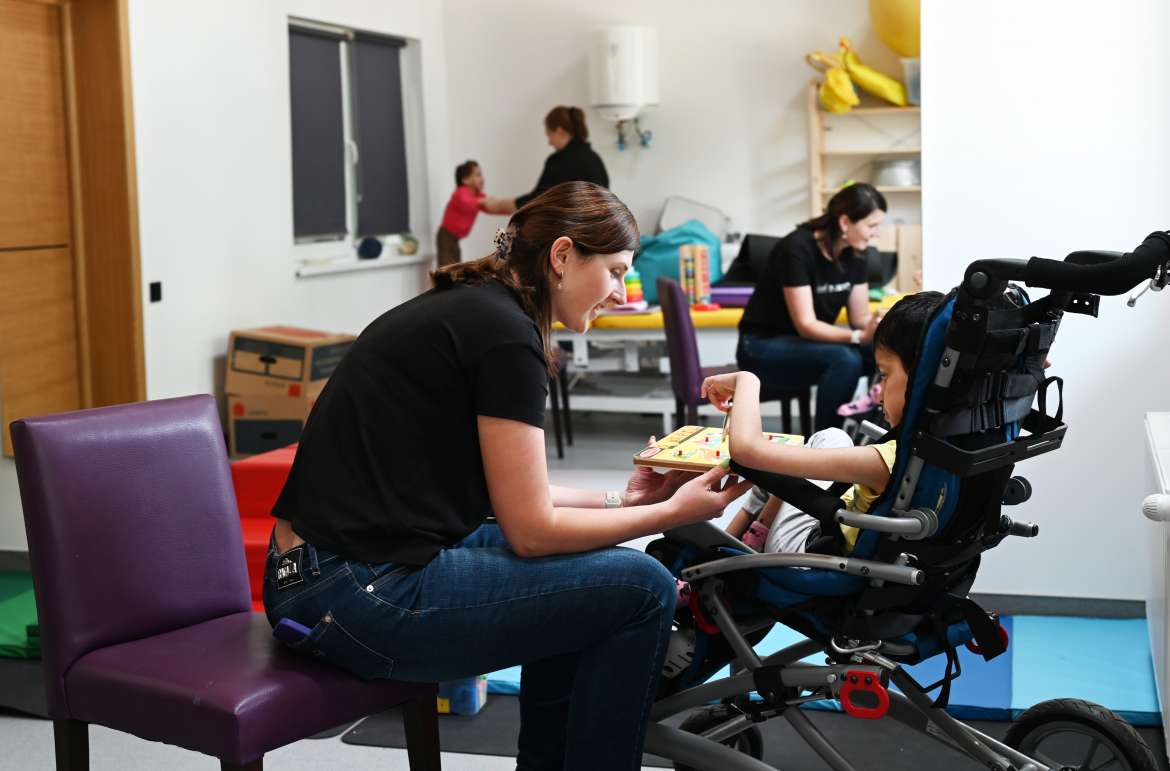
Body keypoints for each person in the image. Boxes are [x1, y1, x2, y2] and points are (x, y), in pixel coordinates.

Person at [264, 181, 751, 770]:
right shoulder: (505, 335)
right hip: (352, 594)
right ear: (563, 256)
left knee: (589, 575)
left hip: (316, 576)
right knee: (643, 587)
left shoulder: (480, 309)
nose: (621, 294)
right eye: (616, 272)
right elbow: (532, 531)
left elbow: (517, 495)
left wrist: (623, 501)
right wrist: (670, 513)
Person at [710, 291, 945, 555]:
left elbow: (746, 451)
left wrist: (747, 381)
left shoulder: (884, 461)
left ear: (921, 379)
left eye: (885, 375)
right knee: (830, 438)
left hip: (809, 555)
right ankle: (747, 538)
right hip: (844, 517)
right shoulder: (952, 447)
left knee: (781, 462)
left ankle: (724, 551)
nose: (879, 393)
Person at [737, 183, 888, 431]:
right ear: (845, 222)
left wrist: (878, 326)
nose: (876, 234)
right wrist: (858, 336)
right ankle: (826, 441)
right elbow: (806, 324)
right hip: (761, 346)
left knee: (886, 352)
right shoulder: (797, 248)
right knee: (845, 359)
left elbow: (860, 317)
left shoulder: (857, 253)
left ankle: (875, 427)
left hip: (809, 345)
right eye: (872, 226)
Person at [485, 107, 610, 216]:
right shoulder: (594, 158)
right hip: (601, 230)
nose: (549, 142)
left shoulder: (560, 160)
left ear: (559, 131)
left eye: (549, 135)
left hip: (573, 231)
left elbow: (538, 200)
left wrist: (499, 205)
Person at [435, 160, 510, 267]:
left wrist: (511, 210)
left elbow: (492, 207)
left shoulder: (478, 196)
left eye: (481, 175)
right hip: (445, 236)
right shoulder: (461, 192)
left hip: (455, 239)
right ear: (465, 180)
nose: (482, 178)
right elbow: (466, 202)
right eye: (478, 175)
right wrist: (483, 201)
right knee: (445, 268)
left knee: (455, 268)